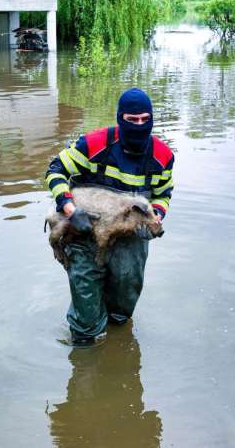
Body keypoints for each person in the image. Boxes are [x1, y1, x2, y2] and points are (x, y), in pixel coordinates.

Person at [45, 88, 175, 346]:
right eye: (131, 119)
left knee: (124, 304)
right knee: (86, 309)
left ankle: (117, 348)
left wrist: (155, 216)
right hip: (84, 229)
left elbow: (163, 194)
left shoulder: (162, 156)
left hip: (131, 235)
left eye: (144, 119)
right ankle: (84, 355)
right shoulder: (94, 144)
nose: (139, 125)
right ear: (119, 118)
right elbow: (55, 170)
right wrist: (71, 210)